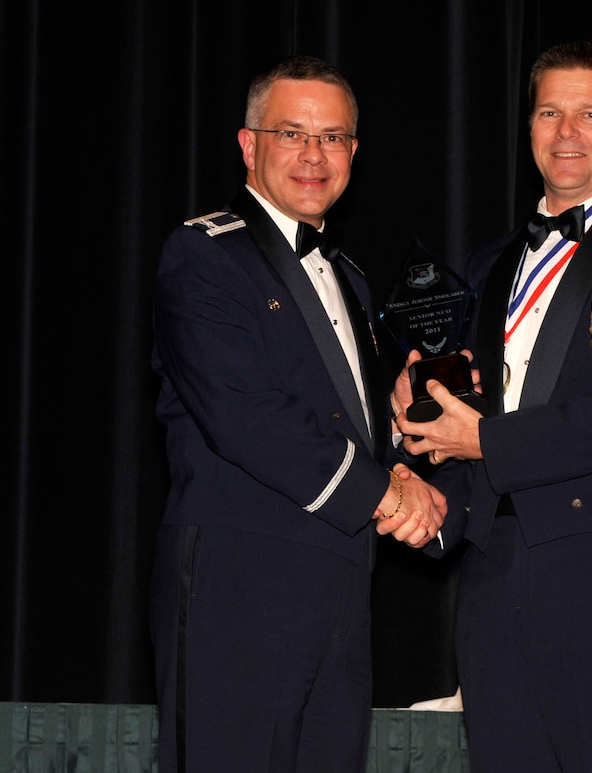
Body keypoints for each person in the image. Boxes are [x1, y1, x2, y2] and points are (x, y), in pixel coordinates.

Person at [393, 41, 592, 773]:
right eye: (549, 112)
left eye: (589, 113)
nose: (566, 132)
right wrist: (413, 422)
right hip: (490, 580)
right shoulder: (483, 264)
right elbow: (463, 410)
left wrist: (488, 440)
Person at [148, 55, 447, 773]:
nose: (314, 155)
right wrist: (388, 492)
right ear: (249, 145)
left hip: (342, 584)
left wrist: (409, 435)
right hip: (240, 582)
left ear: (353, 153)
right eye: (292, 133)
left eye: (334, 137)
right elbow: (247, 415)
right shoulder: (203, 254)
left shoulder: (348, 276)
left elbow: (353, 424)